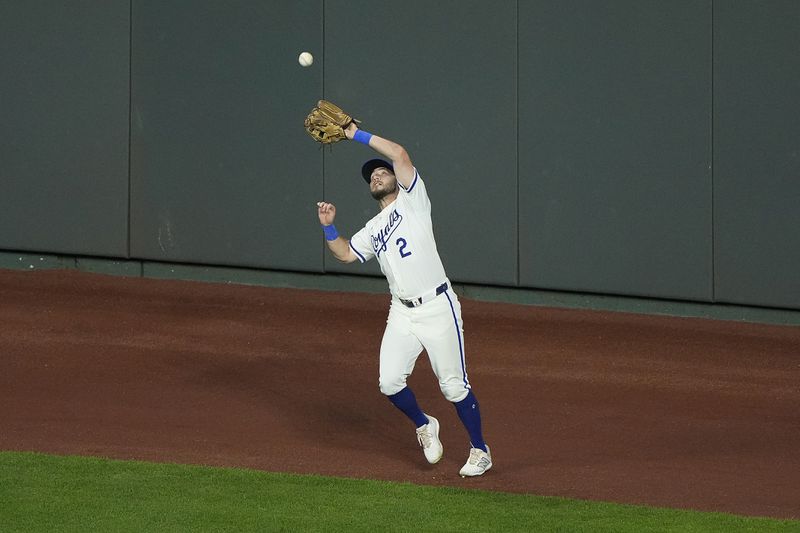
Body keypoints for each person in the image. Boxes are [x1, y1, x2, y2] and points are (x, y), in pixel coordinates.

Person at [315, 120, 492, 477]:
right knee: (389, 381)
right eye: (371, 177)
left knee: (453, 387)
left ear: (397, 178)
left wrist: (354, 134)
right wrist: (328, 226)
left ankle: (480, 450)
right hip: (402, 312)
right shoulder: (373, 229)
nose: (376, 177)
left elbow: (398, 153)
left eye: (381, 172)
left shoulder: (414, 201)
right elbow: (346, 254)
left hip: (438, 307)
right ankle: (425, 424)